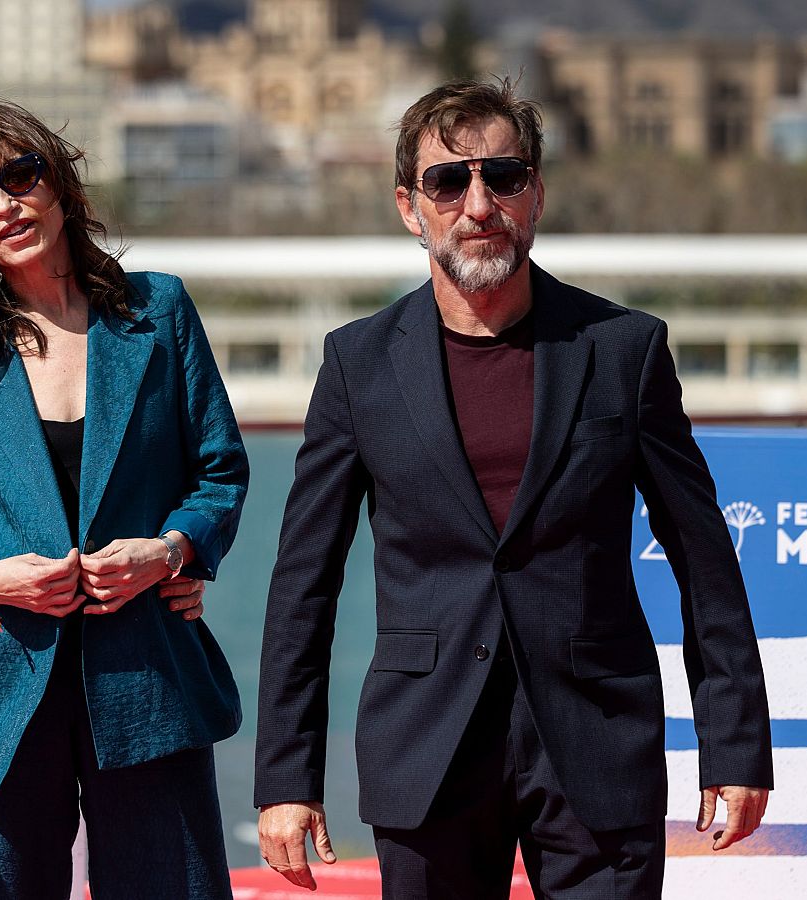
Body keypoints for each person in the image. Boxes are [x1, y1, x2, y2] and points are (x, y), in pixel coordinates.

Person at [254, 78, 774, 898]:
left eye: (503, 176)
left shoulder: (624, 350)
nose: (478, 202)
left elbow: (705, 563)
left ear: (536, 195)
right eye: (447, 181)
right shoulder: (357, 365)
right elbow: (302, 587)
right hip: (425, 753)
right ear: (408, 207)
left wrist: (735, 747)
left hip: (597, 746)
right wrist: (287, 776)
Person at [0, 100, 250, 899]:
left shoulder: (159, 310)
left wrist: (170, 551)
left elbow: (221, 470)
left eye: (19, 176)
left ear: (60, 183)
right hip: (2, 685)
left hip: (150, 675)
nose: (3, 205)